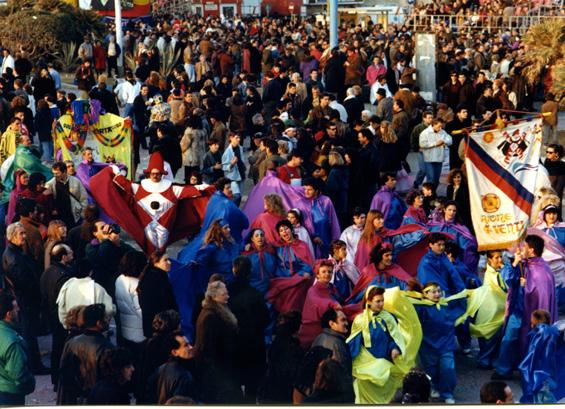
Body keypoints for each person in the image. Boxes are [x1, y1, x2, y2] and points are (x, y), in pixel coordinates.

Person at [91, 151, 213, 253]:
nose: (155, 176)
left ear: (162, 173)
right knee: (150, 252)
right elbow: (123, 184)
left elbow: (191, 190)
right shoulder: (139, 187)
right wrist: (113, 171)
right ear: (149, 173)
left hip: (164, 228)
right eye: (153, 173)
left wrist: (207, 188)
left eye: (158, 173)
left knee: (160, 253)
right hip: (146, 227)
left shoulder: (172, 188)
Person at [410, 282, 467, 404]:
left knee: (448, 368)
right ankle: (434, 387)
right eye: (433, 292)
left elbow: (460, 307)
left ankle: (447, 393)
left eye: (439, 291)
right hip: (428, 346)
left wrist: (465, 294)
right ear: (425, 294)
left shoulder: (445, 305)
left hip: (446, 344)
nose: (437, 294)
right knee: (431, 370)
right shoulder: (421, 308)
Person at [1, 222, 46, 375]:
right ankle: (34, 365)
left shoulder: (16, 252)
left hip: (26, 299)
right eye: (21, 234)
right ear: (12, 236)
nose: (25, 237)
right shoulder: (13, 256)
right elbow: (23, 282)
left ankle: (34, 363)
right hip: (25, 300)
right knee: (29, 333)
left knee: (30, 332)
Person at [347, 286, 405, 404]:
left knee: (383, 393)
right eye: (377, 301)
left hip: (384, 360)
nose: (381, 304)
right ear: (368, 301)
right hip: (366, 364)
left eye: (382, 300)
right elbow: (355, 341)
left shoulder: (388, 317)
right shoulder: (359, 320)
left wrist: (394, 348)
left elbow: (394, 337)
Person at [227, 256, 270, 403]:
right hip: (253, 345)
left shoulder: (227, 294)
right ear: (250, 272)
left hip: (234, 345)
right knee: (251, 389)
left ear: (234, 270)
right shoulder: (256, 295)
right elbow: (266, 319)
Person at [194, 281, 242, 403]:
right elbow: (207, 349)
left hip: (224, 368)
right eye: (224, 294)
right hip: (218, 374)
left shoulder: (217, 310)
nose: (228, 296)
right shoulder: (210, 317)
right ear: (214, 297)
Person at [57, 303, 115, 404]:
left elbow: (63, 377)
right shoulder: (106, 347)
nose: (108, 321)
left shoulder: (71, 343)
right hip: (95, 399)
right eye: (105, 318)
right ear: (98, 323)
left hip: (74, 399)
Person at [40, 244, 75, 388]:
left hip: (50, 314)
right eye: (69, 253)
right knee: (61, 348)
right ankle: (60, 381)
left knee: (57, 347)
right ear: (63, 257)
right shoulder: (63, 276)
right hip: (59, 317)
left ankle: (56, 379)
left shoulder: (47, 272)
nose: (72, 254)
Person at [518, 309, 565, 403]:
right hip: (548, 377)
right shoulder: (552, 331)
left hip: (540, 378)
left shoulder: (540, 333)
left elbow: (530, 359)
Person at [56, 258, 115, 330]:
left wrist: (67, 325)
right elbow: (109, 309)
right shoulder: (97, 288)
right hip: (93, 330)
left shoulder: (67, 286)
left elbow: (62, 310)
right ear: (90, 272)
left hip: (73, 329)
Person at [0, 291, 35, 405]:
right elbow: (19, 375)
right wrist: (31, 383)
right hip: (10, 395)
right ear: (9, 314)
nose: (18, 310)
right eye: (16, 308)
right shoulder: (12, 341)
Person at [298, 259, 342, 349]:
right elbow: (317, 301)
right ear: (317, 274)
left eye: (329, 272)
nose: (327, 274)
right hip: (314, 331)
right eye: (324, 272)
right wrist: (332, 303)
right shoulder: (313, 290)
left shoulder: (331, 287)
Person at [137, 250, 178, 338]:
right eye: (165, 260)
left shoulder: (150, 275)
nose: (169, 262)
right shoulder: (158, 279)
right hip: (161, 325)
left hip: (153, 325)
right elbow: (165, 302)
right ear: (156, 263)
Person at [146, 331, 195, 404]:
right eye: (186, 345)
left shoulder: (161, 368)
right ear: (174, 352)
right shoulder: (184, 376)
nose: (191, 347)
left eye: (190, 344)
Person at [114, 251, 147, 349]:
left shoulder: (120, 279)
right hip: (139, 332)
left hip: (125, 328)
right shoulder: (137, 285)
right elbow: (140, 310)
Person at [417, 233, 466, 297]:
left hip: (449, 293)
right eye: (439, 245)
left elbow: (453, 274)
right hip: (437, 296)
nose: (442, 247)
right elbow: (428, 283)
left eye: (443, 245)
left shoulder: (443, 257)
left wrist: (461, 291)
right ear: (431, 245)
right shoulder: (426, 262)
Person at [45, 161, 88, 229]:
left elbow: (83, 198)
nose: (55, 175)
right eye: (54, 173)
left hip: (75, 216)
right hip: (61, 218)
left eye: (57, 173)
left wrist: (82, 213)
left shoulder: (75, 181)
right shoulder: (50, 184)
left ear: (64, 172)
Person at [311, 308, 352, 377]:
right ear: (332, 324)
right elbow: (342, 373)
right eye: (343, 320)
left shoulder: (320, 337)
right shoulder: (336, 344)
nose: (347, 323)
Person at [419, 118, 452, 190]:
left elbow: (450, 140)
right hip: (429, 159)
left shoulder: (442, 132)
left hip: (439, 159)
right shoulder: (425, 133)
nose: (440, 128)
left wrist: (444, 141)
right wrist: (435, 144)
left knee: (436, 179)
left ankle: (433, 192)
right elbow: (422, 144)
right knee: (431, 178)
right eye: (439, 126)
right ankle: (428, 194)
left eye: (441, 126)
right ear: (433, 124)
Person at [222, 133, 246, 206]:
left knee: (239, 197)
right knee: (237, 196)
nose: (239, 140)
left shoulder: (240, 148)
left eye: (239, 138)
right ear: (231, 138)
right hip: (232, 178)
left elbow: (242, 159)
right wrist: (232, 164)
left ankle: (236, 212)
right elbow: (224, 168)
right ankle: (232, 211)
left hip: (241, 175)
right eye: (237, 138)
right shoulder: (227, 152)